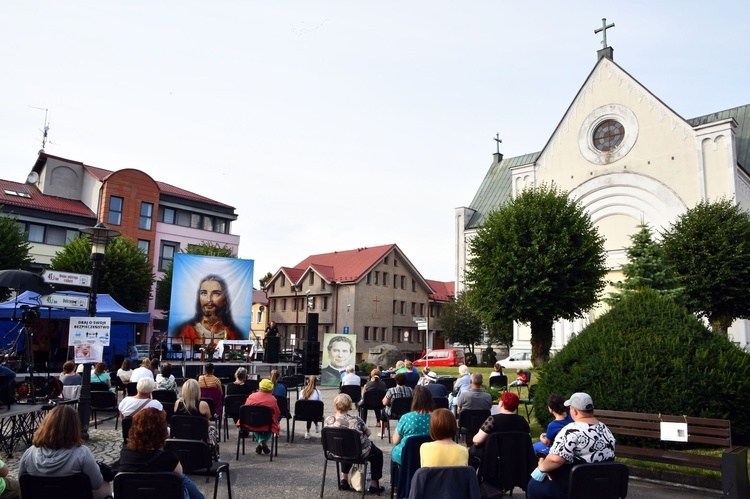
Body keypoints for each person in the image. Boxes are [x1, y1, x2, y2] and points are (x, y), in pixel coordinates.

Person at [527, 393, 616, 499]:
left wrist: (541, 468)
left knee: (533, 486)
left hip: (574, 486)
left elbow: (555, 459)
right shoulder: (605, 429)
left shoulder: (571, 431)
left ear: (574, 411)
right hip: (601, 487)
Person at [19, 405, 111, 499]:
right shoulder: (82, 454)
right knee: (105, 487)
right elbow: (97, 483)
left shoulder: (29, 453)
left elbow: (21, 483)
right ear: (75, 428)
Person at [119, 408, 205, 499]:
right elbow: (179, 472)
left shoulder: (125, 454)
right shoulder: (169, 459)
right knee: (181, 479)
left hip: (133, 493)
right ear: (162, 432)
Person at [324, 393, 385, 494]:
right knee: (377, 453)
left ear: (335, 405)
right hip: (356, 453)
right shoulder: (356, 419)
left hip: (335, 452)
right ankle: (374, 484)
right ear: (349, 406)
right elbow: (369, 433)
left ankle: (344, 478)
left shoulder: (328, 421)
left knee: (343, 444)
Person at [174, 275, 243, 341]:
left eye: (216, 293)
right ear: (199, 297)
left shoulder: (234, 333)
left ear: (225, 299)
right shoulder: (185, 331)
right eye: (204, 293)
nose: (208, 300)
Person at [469, 391, 530, 463]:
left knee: (472, 450)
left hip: (494, 457)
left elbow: (477, 440)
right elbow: (527, 440)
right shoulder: (522, 420)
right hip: (516, 455)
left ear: (502, 404)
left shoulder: (492, 420)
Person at [174, 379, 221, 460]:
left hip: (181, 435)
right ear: (197, 391)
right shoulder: (203, 405)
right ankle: (215, 455)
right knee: (212, 429)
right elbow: (207, 421)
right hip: (199, 437)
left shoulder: (177, 403)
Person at [391, 386, 434, 465]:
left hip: (406, 457)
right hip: (430, 456)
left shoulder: (406, 417)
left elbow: (395, 441)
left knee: (395, 452)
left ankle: (396, 477)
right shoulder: (436, 418)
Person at [238, 379, 280, 455]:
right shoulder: (272, 399)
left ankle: (261, 442)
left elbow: (245, 411)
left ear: (260, 387)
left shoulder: (251, 396)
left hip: (250, 423)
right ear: (271, 389)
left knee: (254, 423)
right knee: (272, 426)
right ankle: (262, 441)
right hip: (267, 424)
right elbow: (277, 413)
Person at [299, 375, 322, 440]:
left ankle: (308, 432)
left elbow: (300, 403)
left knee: (309, 410)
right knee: (312, 410)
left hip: (302, 414)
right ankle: (316, 425)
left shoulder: (302, 392)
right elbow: (320, 405)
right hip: (315, 414)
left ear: (307, 381)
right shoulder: (318, 393)